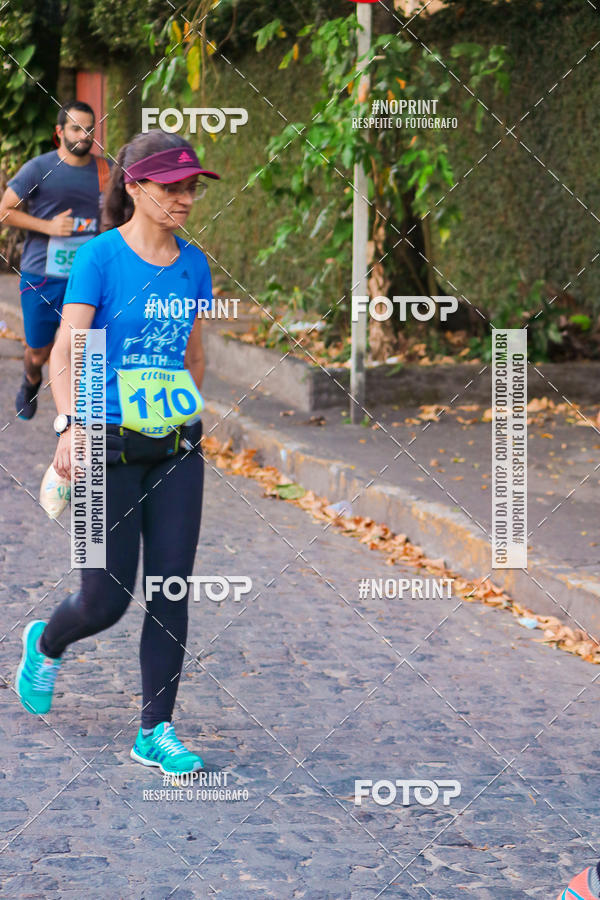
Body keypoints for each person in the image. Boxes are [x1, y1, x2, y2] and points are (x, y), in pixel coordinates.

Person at [15, 128, 220, 777]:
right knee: (104, 600)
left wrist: (180, 411)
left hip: (176, 446)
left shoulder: (194, 263)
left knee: (170, 587)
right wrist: (70, 427)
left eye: (191, 186)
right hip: (104, 441)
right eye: (172, 186)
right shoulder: (99, 258)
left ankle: (156, 730)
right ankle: (45, 643)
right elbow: (70, 351)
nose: (185, 198)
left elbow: (194, 354)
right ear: (134, 186)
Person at [0, 100, 111, 420]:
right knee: (39, 351)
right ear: (60, 131)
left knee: (84, 351)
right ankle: (31, 379)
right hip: (43, 275)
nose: (84, 135)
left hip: (89, 278)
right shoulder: (38, 168)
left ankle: (77, 421)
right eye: (76, 128)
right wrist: (48, 227)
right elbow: (6, 211)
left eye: (90, 129)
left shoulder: (106, 171)